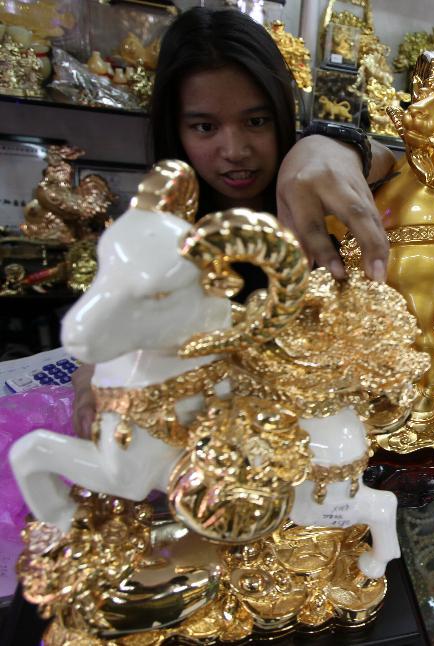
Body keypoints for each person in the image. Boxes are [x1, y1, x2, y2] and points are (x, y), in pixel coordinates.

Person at [71, 7, 397, 437]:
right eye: (205, 127)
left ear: (282, 114)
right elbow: (109, 327)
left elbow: (396, 161)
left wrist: (333, 146)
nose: (235, 149)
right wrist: (90, 381)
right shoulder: (159, 228)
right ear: (176, 130)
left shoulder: (312, 189)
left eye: (256, 121)